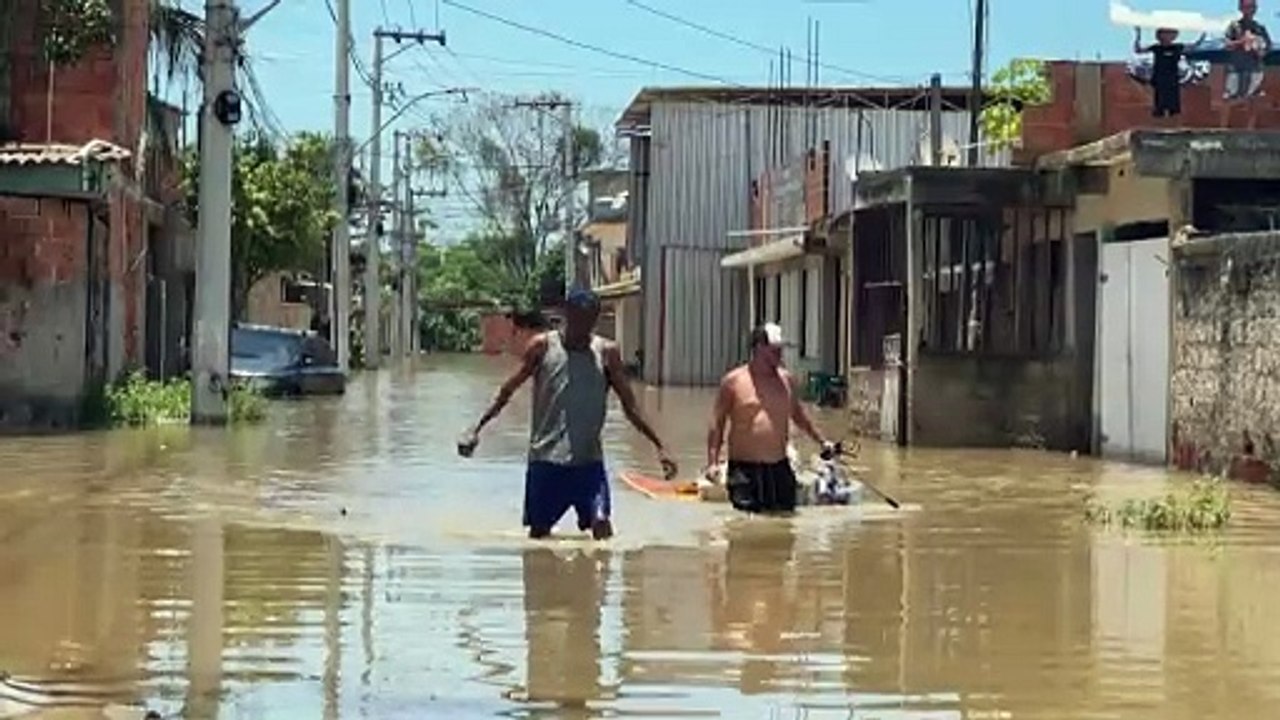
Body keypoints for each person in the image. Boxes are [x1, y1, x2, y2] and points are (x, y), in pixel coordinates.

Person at [458, 288, 676, 539]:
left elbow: (631, 406)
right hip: (546, 461)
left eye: (589, 320)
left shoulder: (606, 353)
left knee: (601, 525)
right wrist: (476, 428)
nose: (583, 327)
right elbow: (508, 391)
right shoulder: (542, 347)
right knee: (539, 537)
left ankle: (599, 565)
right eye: (579, 319)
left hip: (588, 462)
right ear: (567, 314)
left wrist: (660, 446)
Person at [705, 322, 835, 515]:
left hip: (779, 467)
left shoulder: (786, 380)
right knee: (744, 524)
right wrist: (712, 462)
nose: (779, 354)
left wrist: (822, 441)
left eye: (780, 350)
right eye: (774, 350)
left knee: (785, 522)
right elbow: (717, 423)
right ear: (758, 348)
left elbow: (799, 415)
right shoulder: (733, 382)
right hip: (745, 469)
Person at [1134, 27, 1204, 117]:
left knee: (1173, 100)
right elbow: (1138, 50)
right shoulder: (1156, 48)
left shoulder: (1177, 47)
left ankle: (1173, 115)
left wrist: (1202, 36)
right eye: (1164, 34)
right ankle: (1159, 113)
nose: (1166, 37)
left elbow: (1194, 46)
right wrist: (1138, 35)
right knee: (1160, 98)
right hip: (1160, 77)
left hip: (1172, 78)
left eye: (1169, 34)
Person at [1224, 0, 1272, 100]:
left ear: (1255, 9)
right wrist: (1241, 42)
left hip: (1255, 71)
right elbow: (1226, 45)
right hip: (1236, 70)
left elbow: (1268, 47)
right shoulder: (1234, 26)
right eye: (1245, 7)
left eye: (1251, 7)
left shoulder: (1260, 28)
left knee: (1255, 101)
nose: (1248, 10)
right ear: (1240, 8)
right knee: (1234, 101)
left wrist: (1259, 50)